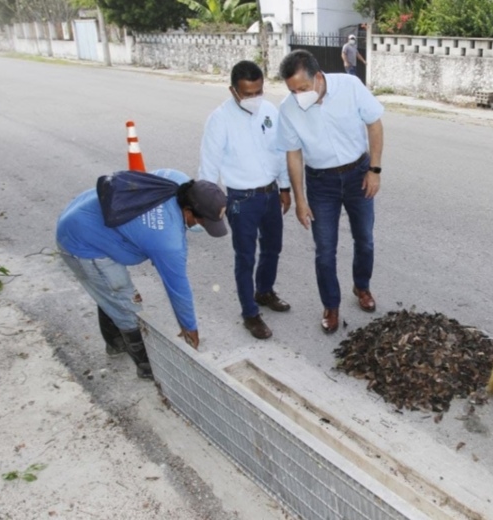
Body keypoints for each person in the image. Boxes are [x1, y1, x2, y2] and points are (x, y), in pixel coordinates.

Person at [56, 169, 228, 380]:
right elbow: (178, 288)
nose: (201, 226)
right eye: (202, 221)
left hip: (84, 209)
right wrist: (190, 328)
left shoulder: (177, 180)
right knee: (125, 302)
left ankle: (116, 344)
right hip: (82, 240)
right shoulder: (167, 241)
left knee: (109, 292)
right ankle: (148, 368)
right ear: (189, 210)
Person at [277, 49, 384, 333]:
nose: (299, 95)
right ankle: (331, 305)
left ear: (319, 77)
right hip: (321, 182)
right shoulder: (288, 109)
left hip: (358, 174)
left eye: (303, 87)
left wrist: (374, 170)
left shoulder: (349, 86)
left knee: (365, 240)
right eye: (293, 90)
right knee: (324, 250)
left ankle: (361, 287)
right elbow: (293, 154)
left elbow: (374, 124)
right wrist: (300, 199)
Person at [198, 60, 292, 340]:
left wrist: (285, 187)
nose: (254, 98)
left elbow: (281, 150)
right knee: (245, 258)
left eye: (258, 91)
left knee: (273, 248)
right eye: (247, 93)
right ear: (233, 91)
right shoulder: (219, 120)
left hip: (270, 194)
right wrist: (211, 205)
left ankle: (264, 291)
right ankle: (250, 313)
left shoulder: (269, 110)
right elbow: (208, 167)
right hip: (241, 200)